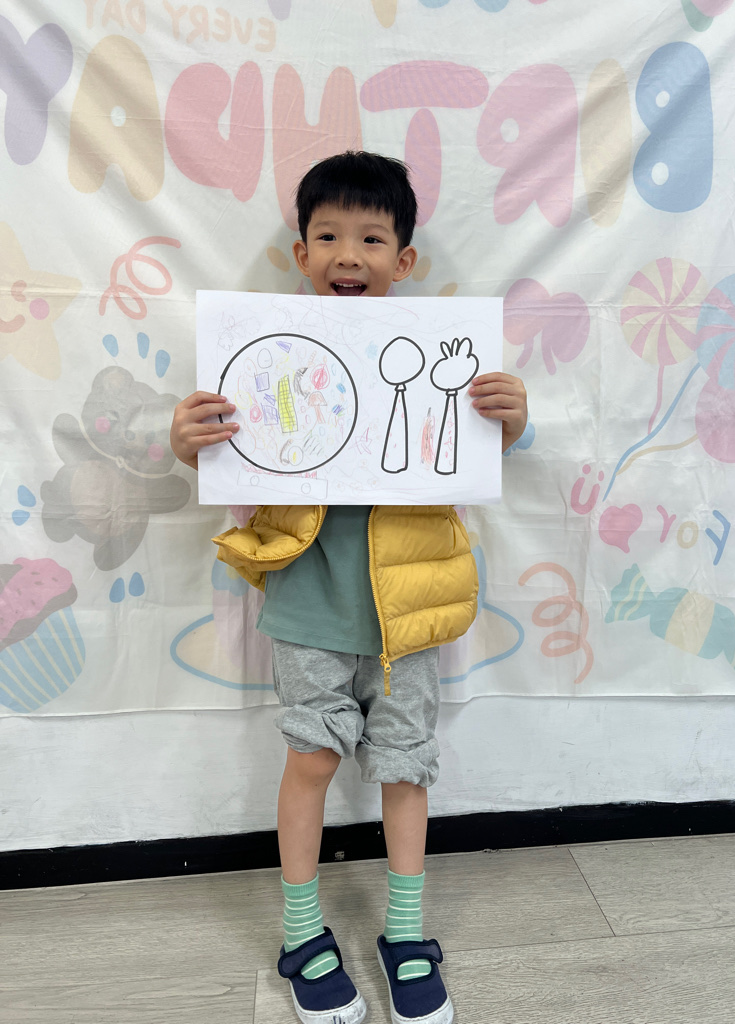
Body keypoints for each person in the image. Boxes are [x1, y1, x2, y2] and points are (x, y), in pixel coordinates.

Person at [170, 151, 528, 1024]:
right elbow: (231, 458)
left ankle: (406, 933)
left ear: (404, 260)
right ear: (301, 254)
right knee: (312, 759)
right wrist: (189, 444)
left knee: (406, 767)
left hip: (411, 614)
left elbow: (471, 453)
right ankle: (302, 936)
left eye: (371, 238)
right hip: (308, 605)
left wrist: (510, 422)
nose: (348, 254)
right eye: (327, 235)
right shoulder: (267, 359)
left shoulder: (441, 360)